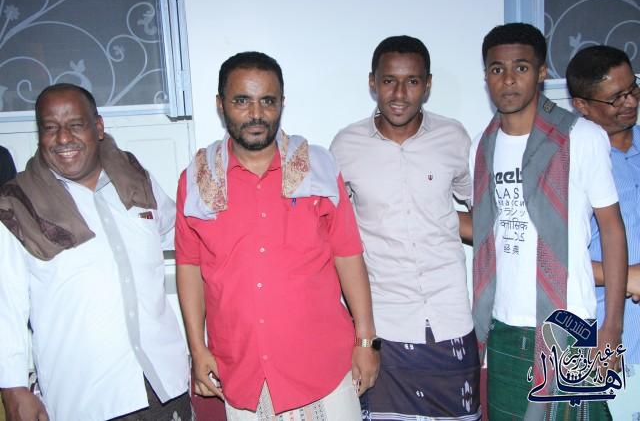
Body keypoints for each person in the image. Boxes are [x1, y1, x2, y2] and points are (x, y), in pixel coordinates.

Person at [175, 51, 379, 420]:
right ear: (220, 104)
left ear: (281, 104)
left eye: (267, 101)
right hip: (243, 371)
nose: (256, 114)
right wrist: (197, 347)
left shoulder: (317, 168)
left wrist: (366, 341)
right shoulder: (197, 180)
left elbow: (348, 254)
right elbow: (189, 266)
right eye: (242, 101)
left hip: (323, 368)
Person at [0, 84, 190, 421]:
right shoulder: (16, 205)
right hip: (88, 398)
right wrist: (13, 387)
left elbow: (177, 232)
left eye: (75, 125)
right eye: (50, 127)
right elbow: (6, 306)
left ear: (98, 127)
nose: (63, 138)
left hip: (165, 383)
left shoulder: (135, 178)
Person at [469, 23, 627, 420]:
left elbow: (611, 229)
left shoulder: (582, 137)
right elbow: (489, 230)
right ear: (486, 75)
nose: (508, 79)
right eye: (497, 69)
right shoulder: (482, 146)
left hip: (569, 324)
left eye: (521, 68)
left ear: (541, 73)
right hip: (503, 325)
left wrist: (612, 327)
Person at [330, 35, 480, 420]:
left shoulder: (453, 138)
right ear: (372, 82)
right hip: (384, 323)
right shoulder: (346, 146)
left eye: (412, 81)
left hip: (450, 315)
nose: (399, 94)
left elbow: (482, 215)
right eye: (388, 81)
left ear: (427, 85)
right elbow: (336, 236)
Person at [566, 44, 640, 420]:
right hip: (603, 342)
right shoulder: (566, 164)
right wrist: (626, 277)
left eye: (633, 89)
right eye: (616, 98)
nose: (630, 102)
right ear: (582, 105)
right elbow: (551, 257)